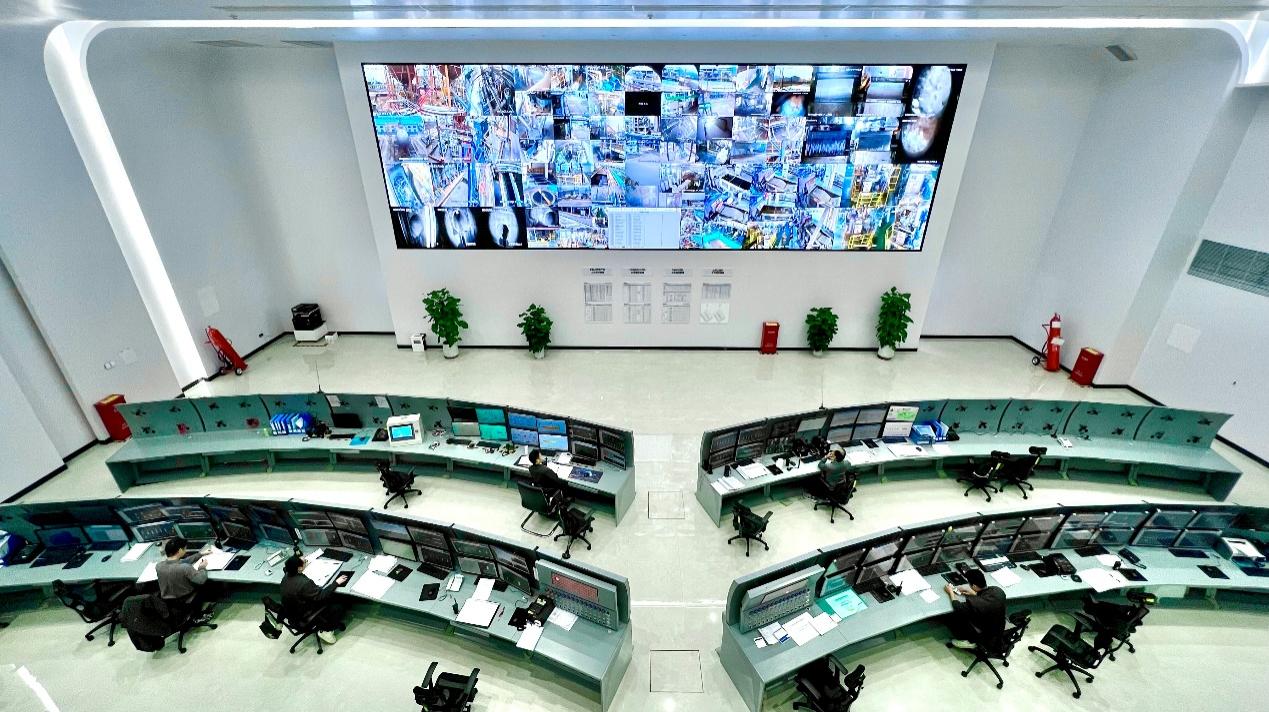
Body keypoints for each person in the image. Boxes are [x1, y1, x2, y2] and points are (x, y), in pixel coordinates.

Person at [280, 555, 348, 645]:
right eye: (304, 562)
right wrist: (336, 583)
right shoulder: (304, 583)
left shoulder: (286, 577)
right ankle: (326, 630)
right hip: (305, 615)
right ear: (299, 568)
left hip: (294, 613)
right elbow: (321, 596)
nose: (306, 561)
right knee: (339, 605)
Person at [944, 568, 1007, 650]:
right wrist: (974, 593)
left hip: (985, 632)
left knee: (953, 615)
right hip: (998, 626)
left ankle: (971, 641)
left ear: (974, 586)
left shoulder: (976, 604)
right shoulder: (997, 590)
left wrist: (951, 592)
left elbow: (957, 606)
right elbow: (987, 599)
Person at [155, 536, 208, 603]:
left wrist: (199, 554)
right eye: (185, 549)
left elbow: (180, 562)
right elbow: (201, 580)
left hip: (168, 602)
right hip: (185, 600)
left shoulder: (159, 566)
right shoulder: (185, 568)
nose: (185, 550)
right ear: (180, 550)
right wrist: (202, 567)